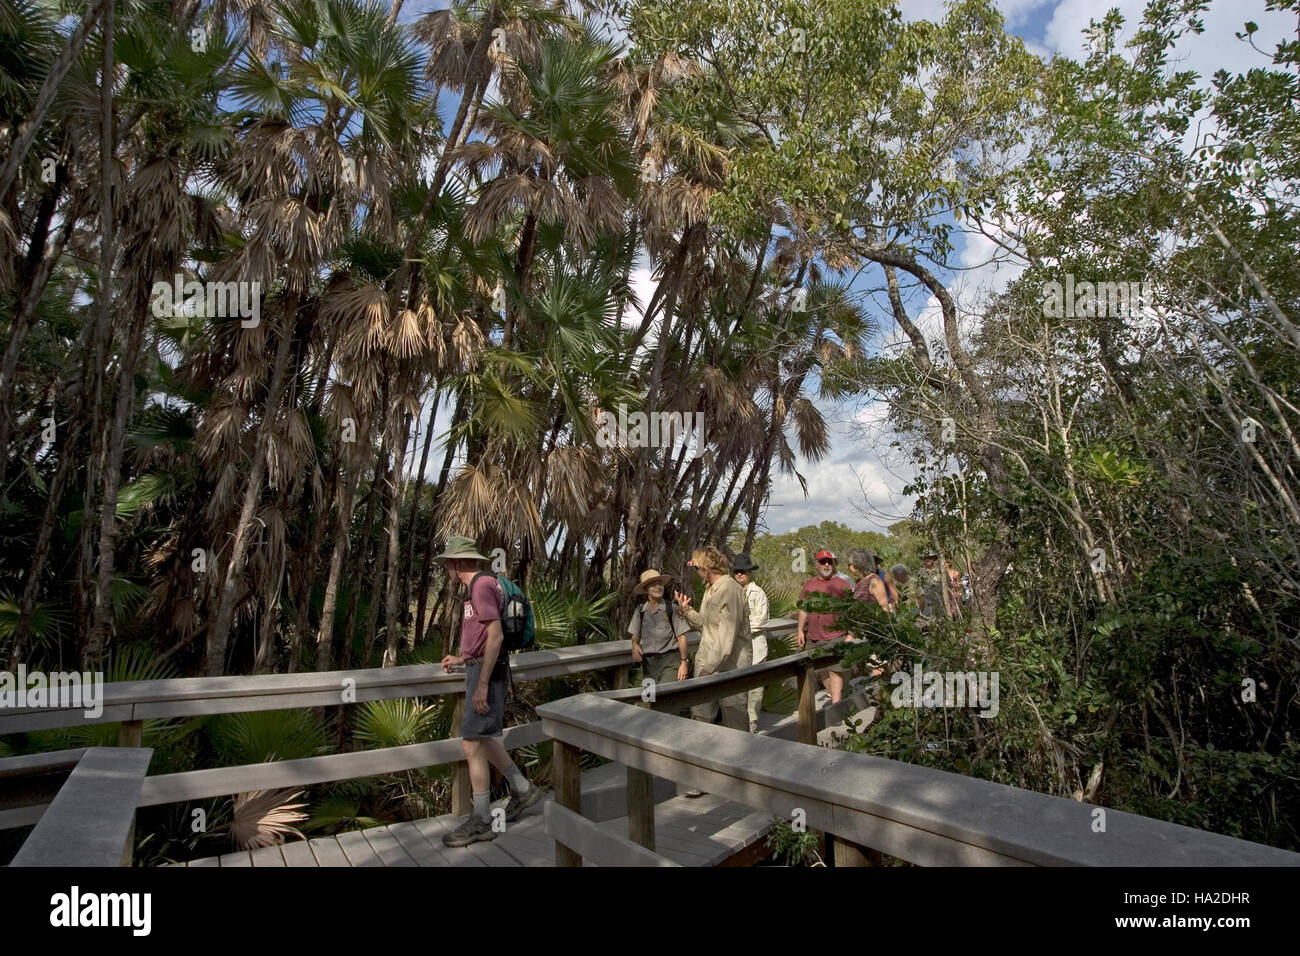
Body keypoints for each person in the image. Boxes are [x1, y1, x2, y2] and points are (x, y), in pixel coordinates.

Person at [437, 536, 544, 846]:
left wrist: (482, 684)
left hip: (487, 671)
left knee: (471, 743)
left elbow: (495, 636)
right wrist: (463, 657)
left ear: (456, 563)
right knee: (482, 737)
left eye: (448, 563)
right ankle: (523, 790)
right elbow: (485, 635)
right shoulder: (488, 583)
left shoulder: (481, 586)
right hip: (482, 666)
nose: (447, 569)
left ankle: (482, 820)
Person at [796, 548, 854, 703]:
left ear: (834, 564)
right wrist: (800, 630)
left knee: (835, 672)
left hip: (836, 637)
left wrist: (851, 634)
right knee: (820, 670)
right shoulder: (810, 584)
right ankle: (838, 701)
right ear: (817, 564)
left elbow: (852, 610)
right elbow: (803, 608)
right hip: (814, 638)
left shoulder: (842, 584)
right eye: (823, 562)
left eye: (829, 562)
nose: (826, 565)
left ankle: (836, 705)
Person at [628, 568, 690, 689]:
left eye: (660, 584)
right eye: (653, 585)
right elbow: (635, 634)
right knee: (649, 699)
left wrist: (684, 662)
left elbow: (682, 637)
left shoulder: (672, 609)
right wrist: (634, 644)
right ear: (646, 589)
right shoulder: (640, 611)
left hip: (670, 662)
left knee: (664, 697)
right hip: (648, 664)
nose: (658, 587)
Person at [732, 553, 769, 733]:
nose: (739, 574)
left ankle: (753, 721)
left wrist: (739, 628)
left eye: (743, 571)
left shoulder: (758, 593)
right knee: (737, 686)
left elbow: (761, 620)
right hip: (735, 649)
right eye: (736, 571)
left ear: (749, 572)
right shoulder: (730, 593)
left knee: (755, 687)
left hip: (755, 646)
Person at [848, 547, 890, 611]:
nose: (849, 567)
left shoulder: (875, 581)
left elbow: (885, 610)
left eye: (850, 564)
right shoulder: (859, 581)